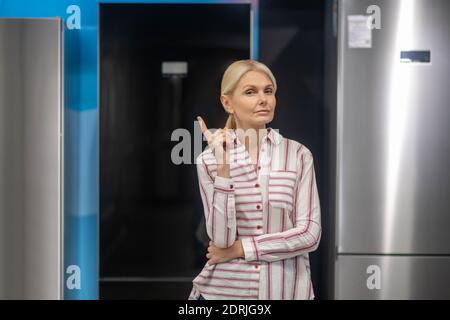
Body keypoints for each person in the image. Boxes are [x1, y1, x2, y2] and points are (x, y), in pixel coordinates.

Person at [188, 59, 321, 300]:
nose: (263, 99)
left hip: (287, 292)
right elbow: (220, 239)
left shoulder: (298, 155)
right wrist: (224, 169)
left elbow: (310, 234)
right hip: (227, 294)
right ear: (227, 103)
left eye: (268, 91)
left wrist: (241, 248)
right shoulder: (209, 161)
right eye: (251, 92)